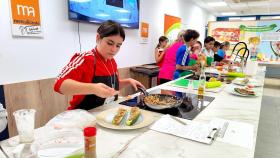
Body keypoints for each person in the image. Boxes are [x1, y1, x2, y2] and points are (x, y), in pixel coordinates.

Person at [54, 20, 144, 110]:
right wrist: (93, 88)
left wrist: (128, 81)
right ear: (98, 38)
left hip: (104, 112)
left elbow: (111, 87)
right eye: (110, 43)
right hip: (83, 114)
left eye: (118, 46)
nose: (114, 50)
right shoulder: (85, 58)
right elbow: (59, 84)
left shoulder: (112, 62)